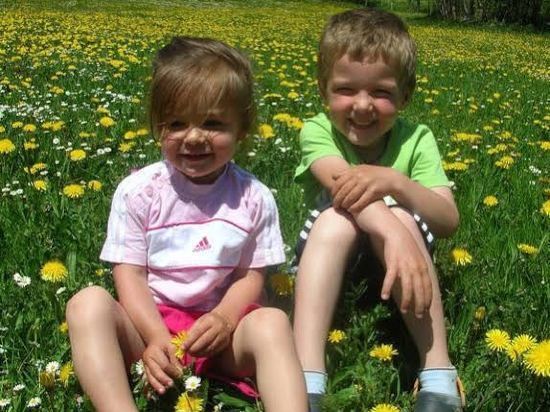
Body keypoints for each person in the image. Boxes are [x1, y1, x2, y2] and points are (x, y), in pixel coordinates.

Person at [66, 36, 308, 412]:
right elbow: (130, 274)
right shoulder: (140, 192)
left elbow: (251, 275)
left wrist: (225, 318)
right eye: (177, 123)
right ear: (157, 126)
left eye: (212, 123)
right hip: (149, 328)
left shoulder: (253, 197)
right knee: (86, 305)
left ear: (242, 129)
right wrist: (154, 336)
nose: (193, 137)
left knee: (273, 322)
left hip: (221, 336)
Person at [292, 9, 465, 412]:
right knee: (337, 217)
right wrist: (394, 229)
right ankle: (305, 376)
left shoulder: (418, 139)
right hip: (332, 262)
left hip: (406, 268)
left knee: (403, 214)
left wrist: (397, 183)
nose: (363, 105)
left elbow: (448, 220)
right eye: (345, 89)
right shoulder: (317, 131)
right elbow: (344, 188)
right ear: (323, 89)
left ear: (406, 95)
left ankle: (438, 372)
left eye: (382, 92)